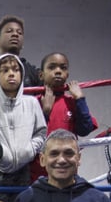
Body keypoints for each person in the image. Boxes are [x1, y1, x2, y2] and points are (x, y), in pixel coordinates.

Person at [0, 54, 47, 188]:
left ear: (22, 73)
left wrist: (30, 150)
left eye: (15, 69)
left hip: (24, 169)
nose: (11, 74)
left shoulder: (32, 103)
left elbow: (41, 133)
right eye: (5, 70)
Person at [37, 52, 98, 181]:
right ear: (41, 75)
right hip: (38, 172)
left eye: (63, 68)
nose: (58, 71)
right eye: (52, 67)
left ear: (67, 75)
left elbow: (85, 129)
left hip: (67, 170)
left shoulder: (71, 102)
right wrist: (45, 112)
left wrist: (80, 99)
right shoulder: (34, 102)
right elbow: (28, 136)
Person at [0, 15, 42, 88]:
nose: (15, 34)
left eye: (19, 33)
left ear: (23, 44)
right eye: (9, 31)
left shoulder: (33, 72)